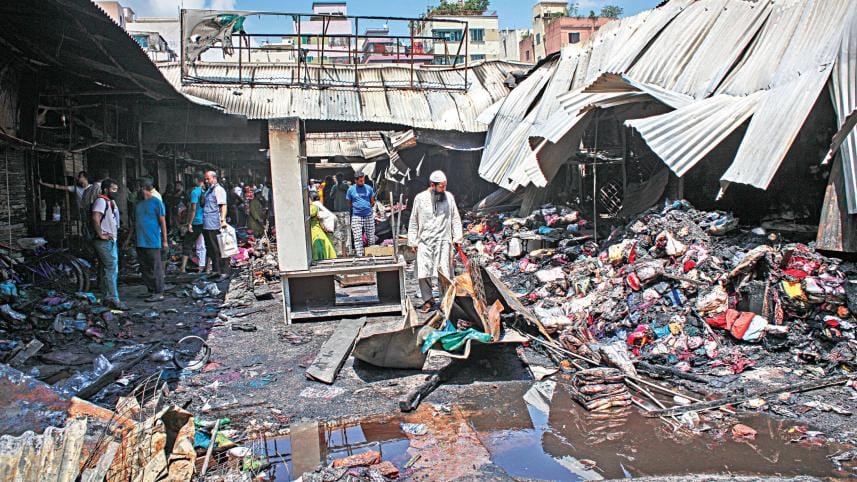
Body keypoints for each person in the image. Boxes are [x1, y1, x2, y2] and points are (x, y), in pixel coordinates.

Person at [407, 170, 463, 313]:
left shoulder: (449, 197)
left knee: (444, 272)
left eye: (445, 186)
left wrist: (457, 238)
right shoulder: (420, 198)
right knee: (423, 272)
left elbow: (455, 218)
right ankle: (428, 300)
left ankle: (445, 301)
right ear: (432, 185)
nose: (443, 189)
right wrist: (412, 241)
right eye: (441, 186)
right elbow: (414, 220)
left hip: (443, 241)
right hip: (425, 241)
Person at [91, 178, 129, 310]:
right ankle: (114, 299)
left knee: (106, 268)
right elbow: (96, 217)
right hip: (104, 241)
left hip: (110, 240)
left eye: (116, 189)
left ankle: (107, 297)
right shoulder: (101, 201)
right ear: (106, 189)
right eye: (113, 189)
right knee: (112, 268)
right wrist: (101, 234)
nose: (115, 192)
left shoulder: (109, 201)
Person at [134, 179, 168, 302]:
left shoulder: (156, 202)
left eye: (138, 188)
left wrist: (165, 240)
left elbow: (162, 221)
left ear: (144, 188)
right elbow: (135, 223)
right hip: (140, 240)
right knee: (145, 268)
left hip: (153, 240)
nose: (136, 191)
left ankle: (159, 292)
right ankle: (150, 290)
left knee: (155, 267)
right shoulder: (138, 204)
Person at [202, 170, 230, 281]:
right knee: (212, 249)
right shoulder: (209, 190)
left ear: (214, 178)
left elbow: (223, 206)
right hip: (207, 224)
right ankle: (216, 270)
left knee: (219, 249)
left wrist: (222, 220)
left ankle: (224, 272)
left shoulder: (218, 190)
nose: (206, 181)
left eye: (208, 179)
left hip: (215, 224)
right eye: (205, 179)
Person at [181, 173, 207, 273]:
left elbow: (193, 209)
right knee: (202, 244)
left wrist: (189, 223)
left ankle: (183, 268)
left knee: (187, 243)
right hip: (205, 221)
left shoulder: (195, 192)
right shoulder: (206, 191)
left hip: (196, 221)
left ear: (196, 179)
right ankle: (202, 266)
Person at [346, 171, 375, 257]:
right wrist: (358, 208)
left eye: (363, 180)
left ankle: (372, 255)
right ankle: (360, 256)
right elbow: (349, 203)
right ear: (355, 180)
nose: (362, 182)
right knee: (357, 237)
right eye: (360, 181)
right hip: (356, 216)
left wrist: (366, 208)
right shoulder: (350, 190)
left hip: (368, 215)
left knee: (371, 237)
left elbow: (372, 202)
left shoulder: (369, 188)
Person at [309, 194, 337, 261]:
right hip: (314, 232)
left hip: (316, 232)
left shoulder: (313, 207)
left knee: (319, 249)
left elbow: (311, 213)